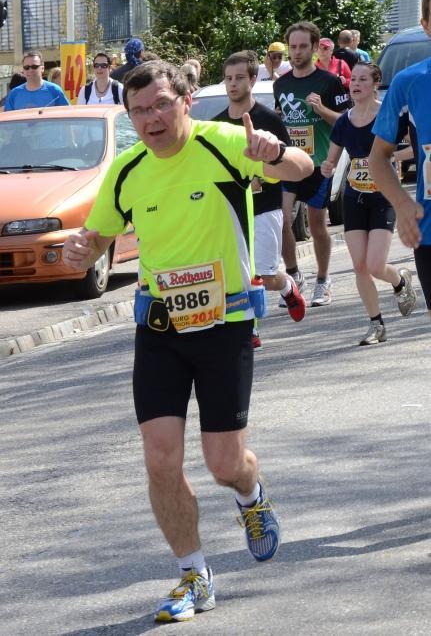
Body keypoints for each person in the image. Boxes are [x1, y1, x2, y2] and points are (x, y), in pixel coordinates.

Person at [62, 60, 313, 623]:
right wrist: (84, 248)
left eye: (159, 105)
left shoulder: (226, 141)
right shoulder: (127, 170)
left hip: (224, 324)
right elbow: (99, 233)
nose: (151, 118)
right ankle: (194, 576)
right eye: (139, 111)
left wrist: (272, 154)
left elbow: (303, 169)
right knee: (160, 461)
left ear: (186, 99)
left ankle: (251, 495)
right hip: (159, 328)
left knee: (224, 463)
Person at [213, 50, 306, 349]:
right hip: (232, 210)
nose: (233, 84)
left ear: (253, 79)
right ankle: (249, 328)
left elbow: (288, 162)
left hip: (265, 206)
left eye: (239, 78)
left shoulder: (268, 120)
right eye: (228, 78)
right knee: (238, 274)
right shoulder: (217, 126)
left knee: (264, 275)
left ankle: (288, 286)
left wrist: (261, 177)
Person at [321, 63, 417, 345]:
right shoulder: (343, 121)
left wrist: (393, 159)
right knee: (360, 266)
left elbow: (415, 142)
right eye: (353, 79)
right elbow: (333, 157)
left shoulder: (387, 114)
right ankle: (376, 325)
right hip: (355, 197)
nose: (356, 84)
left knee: (376, 265)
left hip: (383, 196)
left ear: (376, 84)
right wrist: (327, 167)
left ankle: (399, 280)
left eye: (363, 79)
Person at [274, 21, 350, 307]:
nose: (296, 52)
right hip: (290, 162)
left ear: (316, 48)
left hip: (319, 163)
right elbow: (282, 119)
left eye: (303, 46)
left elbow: (345, 122)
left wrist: (321, 109)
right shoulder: (281, 84)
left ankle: (322, 279)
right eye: (292, 47)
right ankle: (294, 276)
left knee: (317, 223)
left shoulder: (330, 82)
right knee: (282, 219)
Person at [369, 0, 431, 318]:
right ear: (426, 26)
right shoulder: (408, 83)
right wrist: (403, 204)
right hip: (430, 228)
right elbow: (377, 157)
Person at [4, 51, 69, 110]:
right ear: (23, 70)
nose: (30, 70)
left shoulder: (55, 90)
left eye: (34, 67)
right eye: (27, 67)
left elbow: (66, 116)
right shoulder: (14, 94)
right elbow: (7, 120)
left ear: (42, 68)